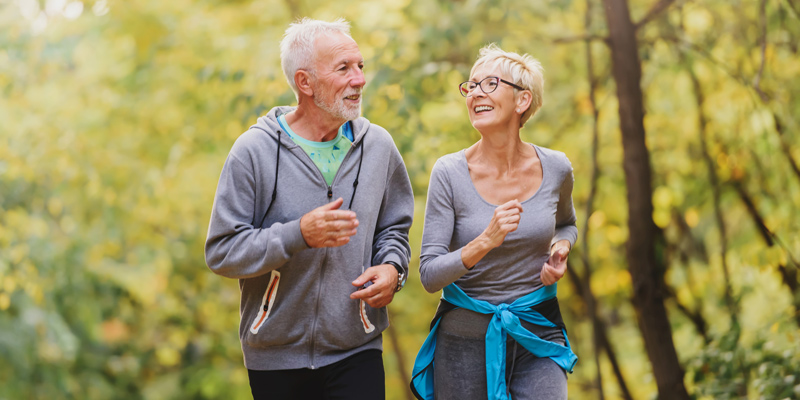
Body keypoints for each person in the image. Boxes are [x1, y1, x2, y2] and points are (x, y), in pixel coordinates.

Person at [204, 18, 414, 400]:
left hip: (357, 347)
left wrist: (393, 269)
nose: (359, 79)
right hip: (276, 355)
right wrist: (297, 234)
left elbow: (394, 229)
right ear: (305, 83)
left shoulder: (378, 146)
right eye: (344, 69)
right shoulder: (254, 152)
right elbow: (222, 252)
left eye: (360, 66)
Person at [410, 44, 578, 400]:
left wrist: (560, 250)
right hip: (464, 342)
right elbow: (429, 274)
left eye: (489, 84)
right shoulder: (450, 173)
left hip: (538, 332)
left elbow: (567, 224)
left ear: (522, 101)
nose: (474, 94)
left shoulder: (557, 168)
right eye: (470, 86)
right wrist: (485, 240)